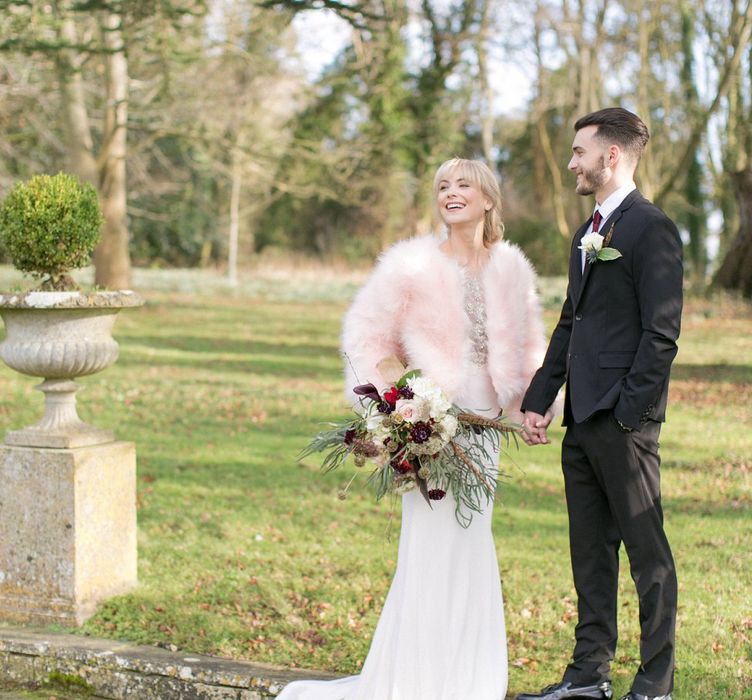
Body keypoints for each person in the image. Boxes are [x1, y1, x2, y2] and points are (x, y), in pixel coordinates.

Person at [276, 158, 547, 700]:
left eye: (463, 184)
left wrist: (535, 408)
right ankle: (417, 681)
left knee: (473, 542)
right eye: (442, 185)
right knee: (429, 545)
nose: (450, 192)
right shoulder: (411, 264)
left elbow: (530, 346)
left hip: (486, 425)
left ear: (488, 199)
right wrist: (406, 401)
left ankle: (471, 680)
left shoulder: (512, 268)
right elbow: (366, 338)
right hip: (430, 426)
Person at [518, 108, 683, 700]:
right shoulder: (587, 233)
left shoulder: (651, 228)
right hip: (580, 422)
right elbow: (572, 322)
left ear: (610, 156)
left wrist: (628, 415)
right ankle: (589, 676)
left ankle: (655, 683)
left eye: (579, 152)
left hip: (624, 424)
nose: (571, 163)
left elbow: (661, 335)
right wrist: (541, 398)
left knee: (647, 557)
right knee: (590, 555)